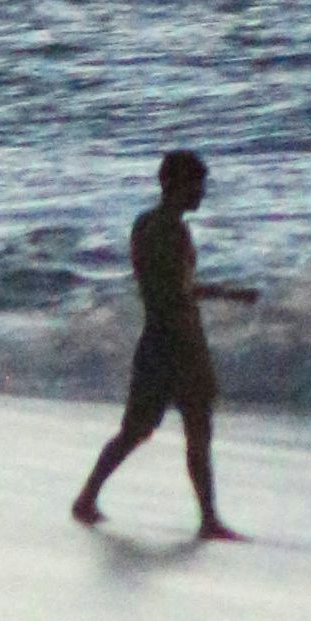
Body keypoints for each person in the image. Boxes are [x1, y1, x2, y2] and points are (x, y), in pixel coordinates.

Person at [72, 148, 251, 539]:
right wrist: (224, 295)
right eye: (196, 184)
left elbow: (165, 287)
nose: (201, 193)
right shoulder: (170, 231)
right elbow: (176, 292)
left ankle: (88, 497)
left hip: (156, 339)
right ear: (175, 184)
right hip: (178, 340)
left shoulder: (145, 225)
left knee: (136, 430)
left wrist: (228, 294)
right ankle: (208, 518)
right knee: (196, 428)